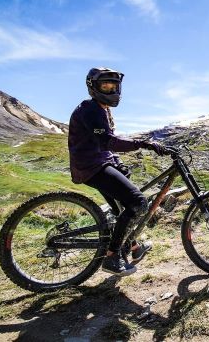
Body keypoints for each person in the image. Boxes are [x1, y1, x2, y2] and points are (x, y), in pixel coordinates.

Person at [68, 67, 171, 276]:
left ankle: (133, 248)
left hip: (99, 162)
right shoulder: (90, 109)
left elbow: (103, 145)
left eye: (114, 85)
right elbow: (108, 141)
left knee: (122, 208)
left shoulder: (102, 109)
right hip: (91, 167)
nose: (111, 89)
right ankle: (112, 257)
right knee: (138, 202)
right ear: (93, 87)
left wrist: (117, 162)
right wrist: (143, 144)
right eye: (106, 85)